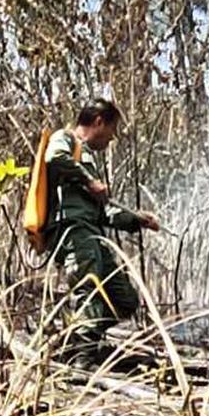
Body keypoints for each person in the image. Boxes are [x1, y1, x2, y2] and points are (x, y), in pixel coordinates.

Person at [44, 98, 159, 359]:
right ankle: (79, 362)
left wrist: (136, 220)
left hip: (93, 235)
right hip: (73, 233)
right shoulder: (66, 140)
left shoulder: (86, 157)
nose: (111, 139)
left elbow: (101, 213)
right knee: (89, 294)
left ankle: (71, 339)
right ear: (98, 122)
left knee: (125, 300)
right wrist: (88, 180)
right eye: (112, 130)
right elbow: (53, 158)